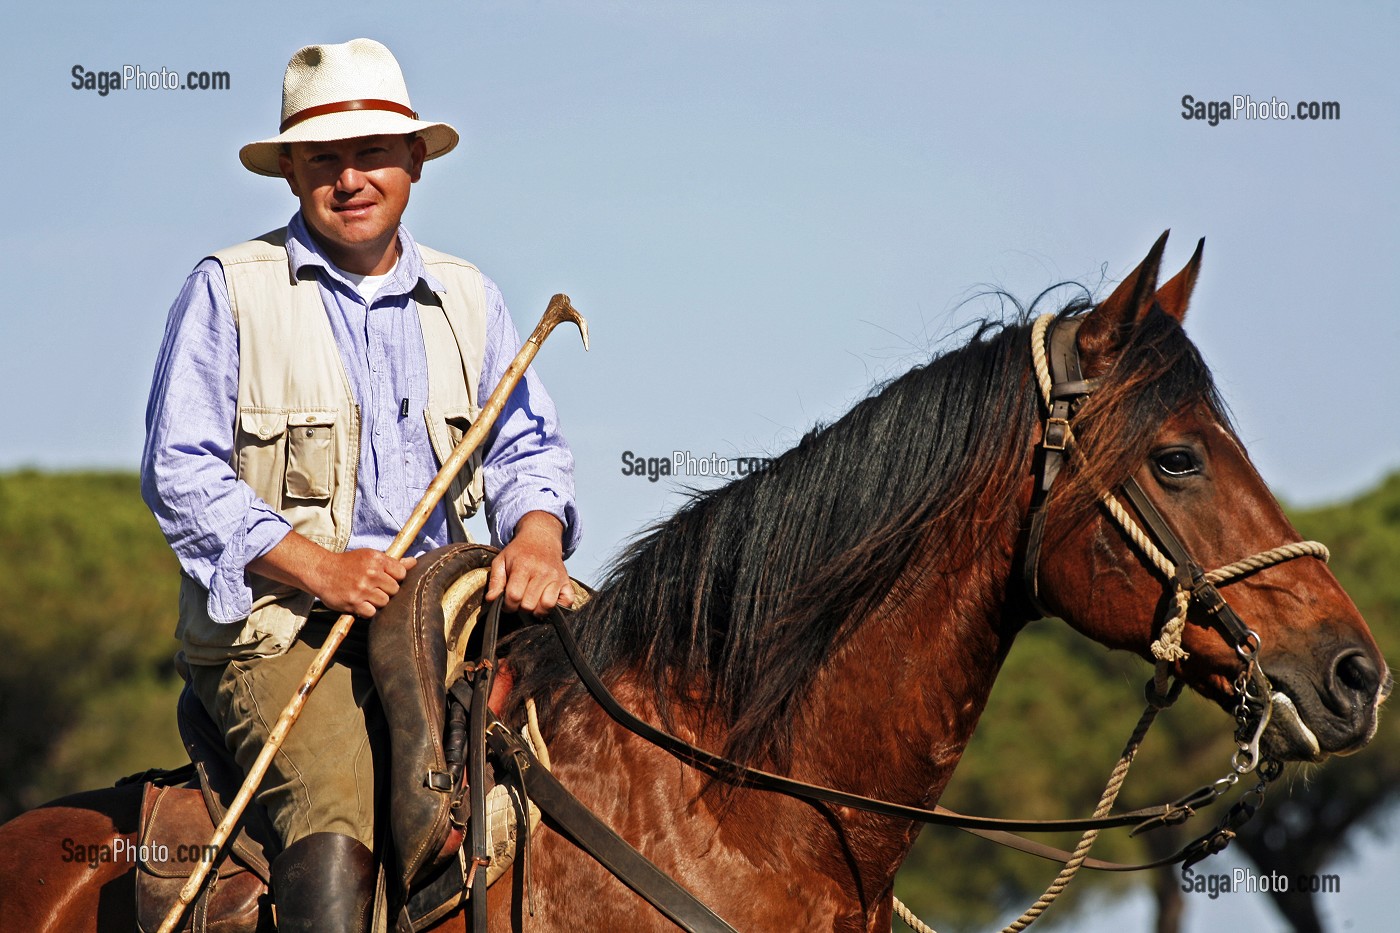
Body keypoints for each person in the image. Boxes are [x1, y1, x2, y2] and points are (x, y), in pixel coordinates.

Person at [140, 38, 580, 932]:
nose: (351, 179)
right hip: (283, 629)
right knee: (339, 798)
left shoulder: (471, 299)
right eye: (324, 160)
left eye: (372, 153)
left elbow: (525, 449)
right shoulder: (230, 289)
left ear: (414, 161)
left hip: (447, 612)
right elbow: (179, 470)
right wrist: (317, 566)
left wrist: (536, 535)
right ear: (292, 173)